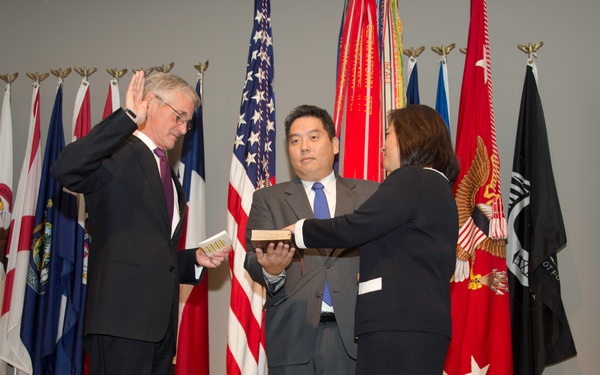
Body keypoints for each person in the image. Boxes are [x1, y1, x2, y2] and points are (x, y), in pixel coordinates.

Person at [51, 71, 230, 375]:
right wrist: (126, 118)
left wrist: (193, 260)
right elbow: (65, 168)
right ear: (151, 104)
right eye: (180, 116)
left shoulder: (172, 179)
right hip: (120, 321)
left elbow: (151, 249)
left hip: (159, 329)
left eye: (188, 121)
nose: (184, 129)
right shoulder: (116, 152)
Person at [288, 104, 460, 375]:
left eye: (388, 135)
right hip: (424, 325)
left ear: (410, 135)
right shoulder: (439, 187)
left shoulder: (411, 178)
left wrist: (299, 231)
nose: (382, 145)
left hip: (398, 324)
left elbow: (357, 226)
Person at [244, 105, 378, 374]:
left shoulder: (369, 194)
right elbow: (251, 259)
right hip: (293, 336)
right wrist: (271, 271)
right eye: (295, 140)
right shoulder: (268, 199)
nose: (304, 146)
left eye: (313, 137)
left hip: (355, 336)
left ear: (334, 144)